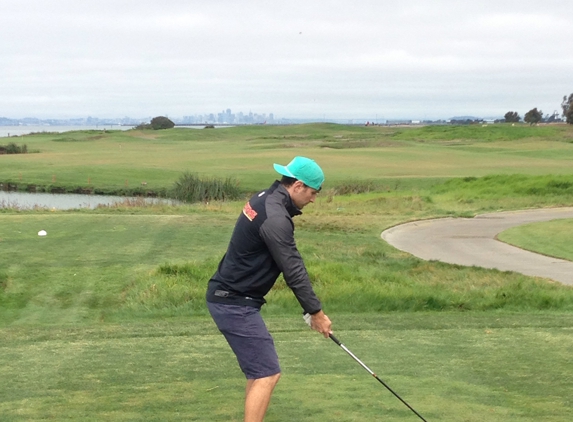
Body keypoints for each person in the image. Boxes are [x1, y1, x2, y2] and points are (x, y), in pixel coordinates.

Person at [206, 156, 332, 422]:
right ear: (298, 185)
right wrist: (316, 312)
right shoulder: (276, 217)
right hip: (234, 302)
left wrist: (311, 309)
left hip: (232, 299)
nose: (313, 199)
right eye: (312, 193)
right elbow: (293, 269)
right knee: (267, 373)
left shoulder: (265, 198)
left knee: (259, 372)